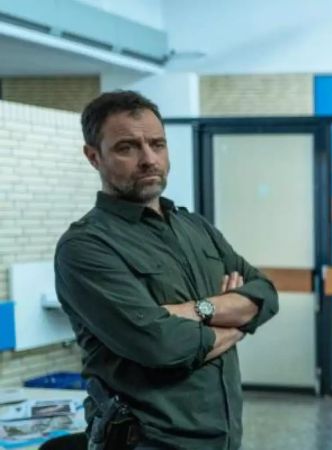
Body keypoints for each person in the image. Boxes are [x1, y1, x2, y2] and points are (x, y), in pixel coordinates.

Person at [55, 90, 279, 449]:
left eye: (157, 144)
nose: (148, 159)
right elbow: (160, 345)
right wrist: (237, 321)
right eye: (127, 147)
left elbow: (265, 293)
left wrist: (195, 311)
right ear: (93, 156)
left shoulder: (195, 227)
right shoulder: (85, 247)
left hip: (222, 439)